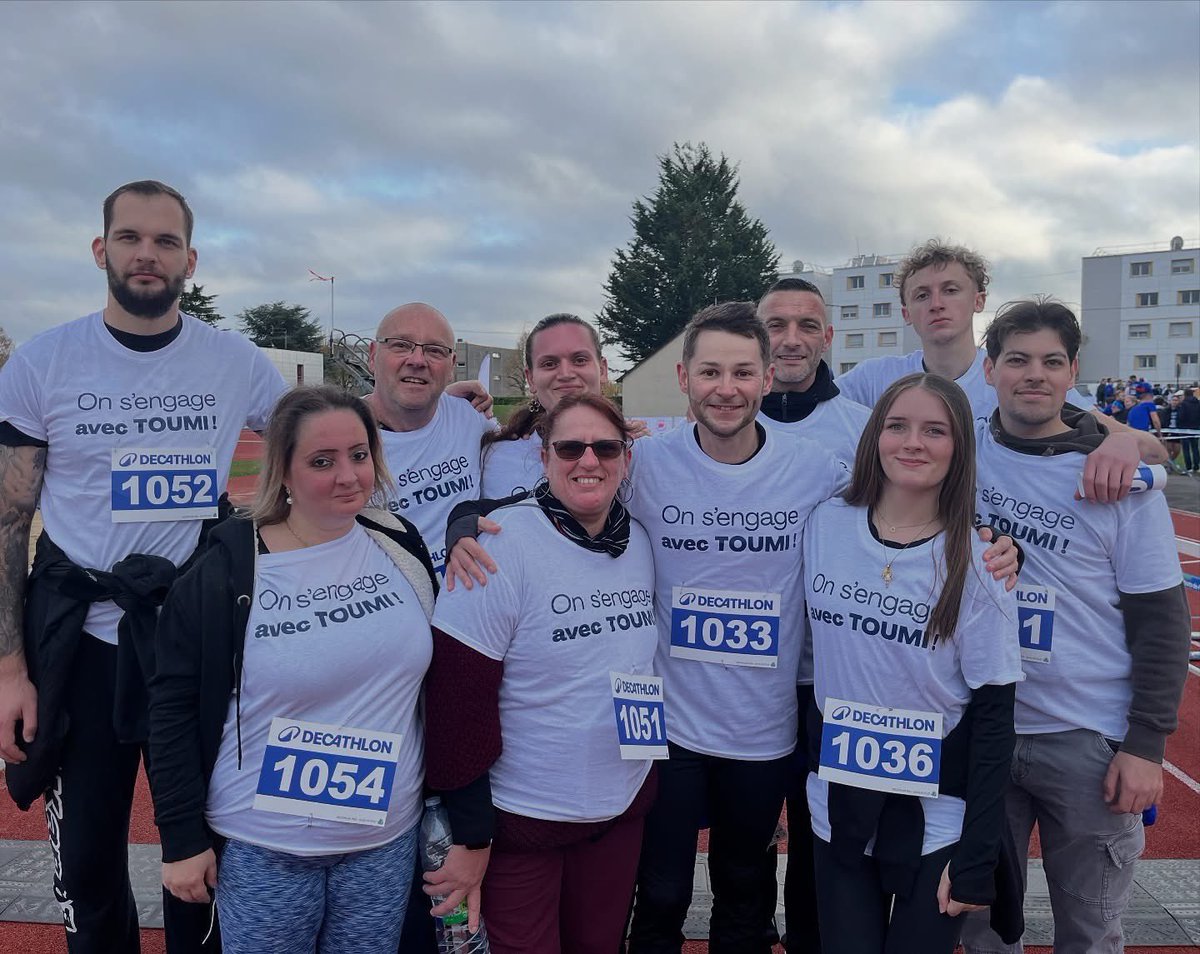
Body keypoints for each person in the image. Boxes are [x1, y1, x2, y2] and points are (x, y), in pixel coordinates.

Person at [0, 179, 287, 953]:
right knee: (89, 870)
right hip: (81, 645)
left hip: (189, 645)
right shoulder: (43, 362)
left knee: (200, 850)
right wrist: (8, 673)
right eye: (130, 238)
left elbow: (320, 438)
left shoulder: (237, 363)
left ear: (190, 259)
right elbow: (7, 522)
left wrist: (439, 411)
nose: (147, 254)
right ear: (102, 250)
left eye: (165, 241)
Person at [148, 386, 438, 954]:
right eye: (322, 462)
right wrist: (179, 836)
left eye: (359, 454)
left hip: (384, 842)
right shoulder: (226, 569)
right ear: (283, 469)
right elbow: (171, 708)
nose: (348, 475)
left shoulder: (399, 543)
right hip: (264, 845)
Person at [960, 300, 1191, 954]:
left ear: (1073, 372)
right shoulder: (962, 449)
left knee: (1090, 932)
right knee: (981, 927)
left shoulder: (1125, 483)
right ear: (990, 369)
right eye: (1018, 360)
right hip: (985, 730)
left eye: (1051, 362)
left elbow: (1163, 624)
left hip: (1087, 740)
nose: (1034, 374)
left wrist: (1146, 746)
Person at [423, 393, 658, 952]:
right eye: (570, 447)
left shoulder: (640, 541)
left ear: (625, 456)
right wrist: (473, 833)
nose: (588, 460)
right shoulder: (497, 545)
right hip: (522, 819)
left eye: (605, 447)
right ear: (544, 457)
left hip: (619, 808)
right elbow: (457, 702)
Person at [803, 372, 1022, 954]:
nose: (913, 443)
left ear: (958, 448)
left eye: (935, 430)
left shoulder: (981, 561)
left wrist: (978, 854)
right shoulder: (823, 524)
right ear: (875, 436)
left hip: (937, 818)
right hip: (839, 801)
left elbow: (996, 716)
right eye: (898, 426)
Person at [834, 239, 1168, 502]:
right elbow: (807, 413)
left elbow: (1153, 450)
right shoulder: (874, 378)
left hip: (992, 540)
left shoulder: (1017, 378)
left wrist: (1120, 444)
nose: (937, 303)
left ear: (978, 301)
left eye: (951, 290)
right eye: (922, 295)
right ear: (907, 313)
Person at [754, 276, 871, 950]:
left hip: (833, 676)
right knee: (743, 838)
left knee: (824, 841)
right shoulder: (722, 416)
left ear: (828, 337)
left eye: (807, 325)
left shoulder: (864, 431)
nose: (791, 339)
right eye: (776, 324)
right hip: (738, 674)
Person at [365, 302, 496, 577]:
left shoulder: (470, 416)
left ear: (451, 365)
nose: (417, 360)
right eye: (401, 345)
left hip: (468, 597)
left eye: (434, 351)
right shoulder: (344, 436)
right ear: (372, 355)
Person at [1179, 387, 1200, 473]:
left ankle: (1189, 467)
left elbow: (1181, 416)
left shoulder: (1184, 404)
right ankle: (1197, 466)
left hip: (1185, 428)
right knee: (1195, 448)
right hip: (1196, 427)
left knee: (1186, 449)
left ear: (1185, 395)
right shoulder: (1198, 403)